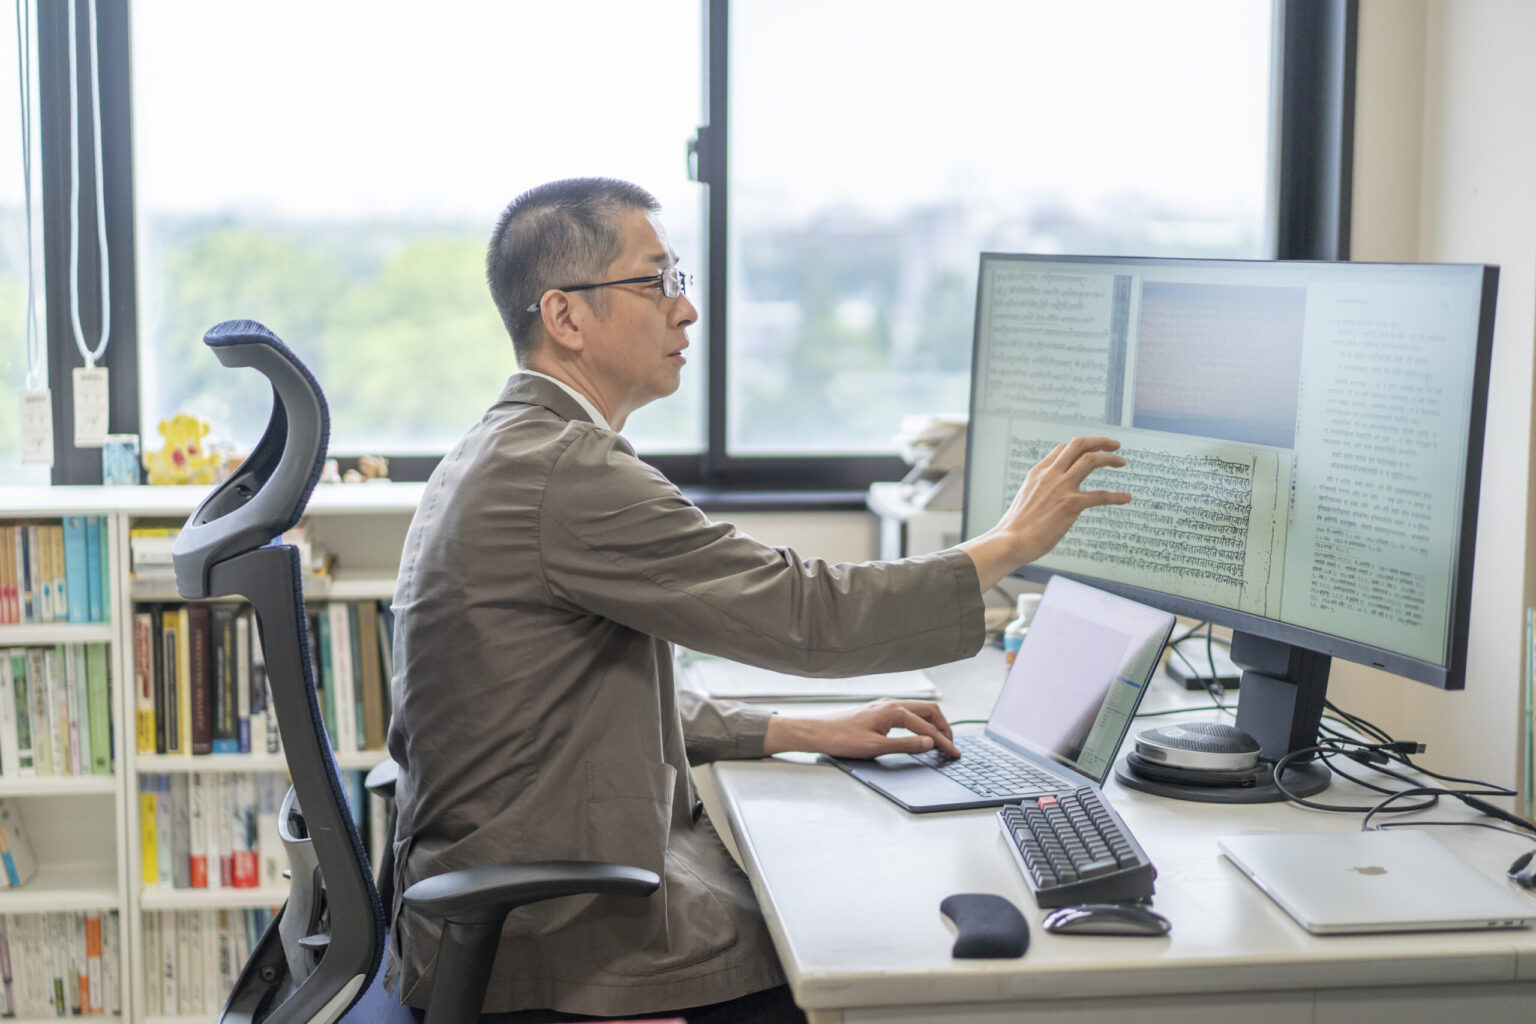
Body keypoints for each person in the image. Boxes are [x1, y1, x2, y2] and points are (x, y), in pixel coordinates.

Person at [383, 177, 1131, 1023]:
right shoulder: (567, 472)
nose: (684, 310)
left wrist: (803, 732)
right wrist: (1010, 543)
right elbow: (808, 614)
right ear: (565, 317)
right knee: (880, 956)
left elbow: (563, 707)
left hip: (506, 905)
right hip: (554, 943)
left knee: (841, 893)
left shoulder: (507, 447)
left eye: (679, 280)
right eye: (654, 281)